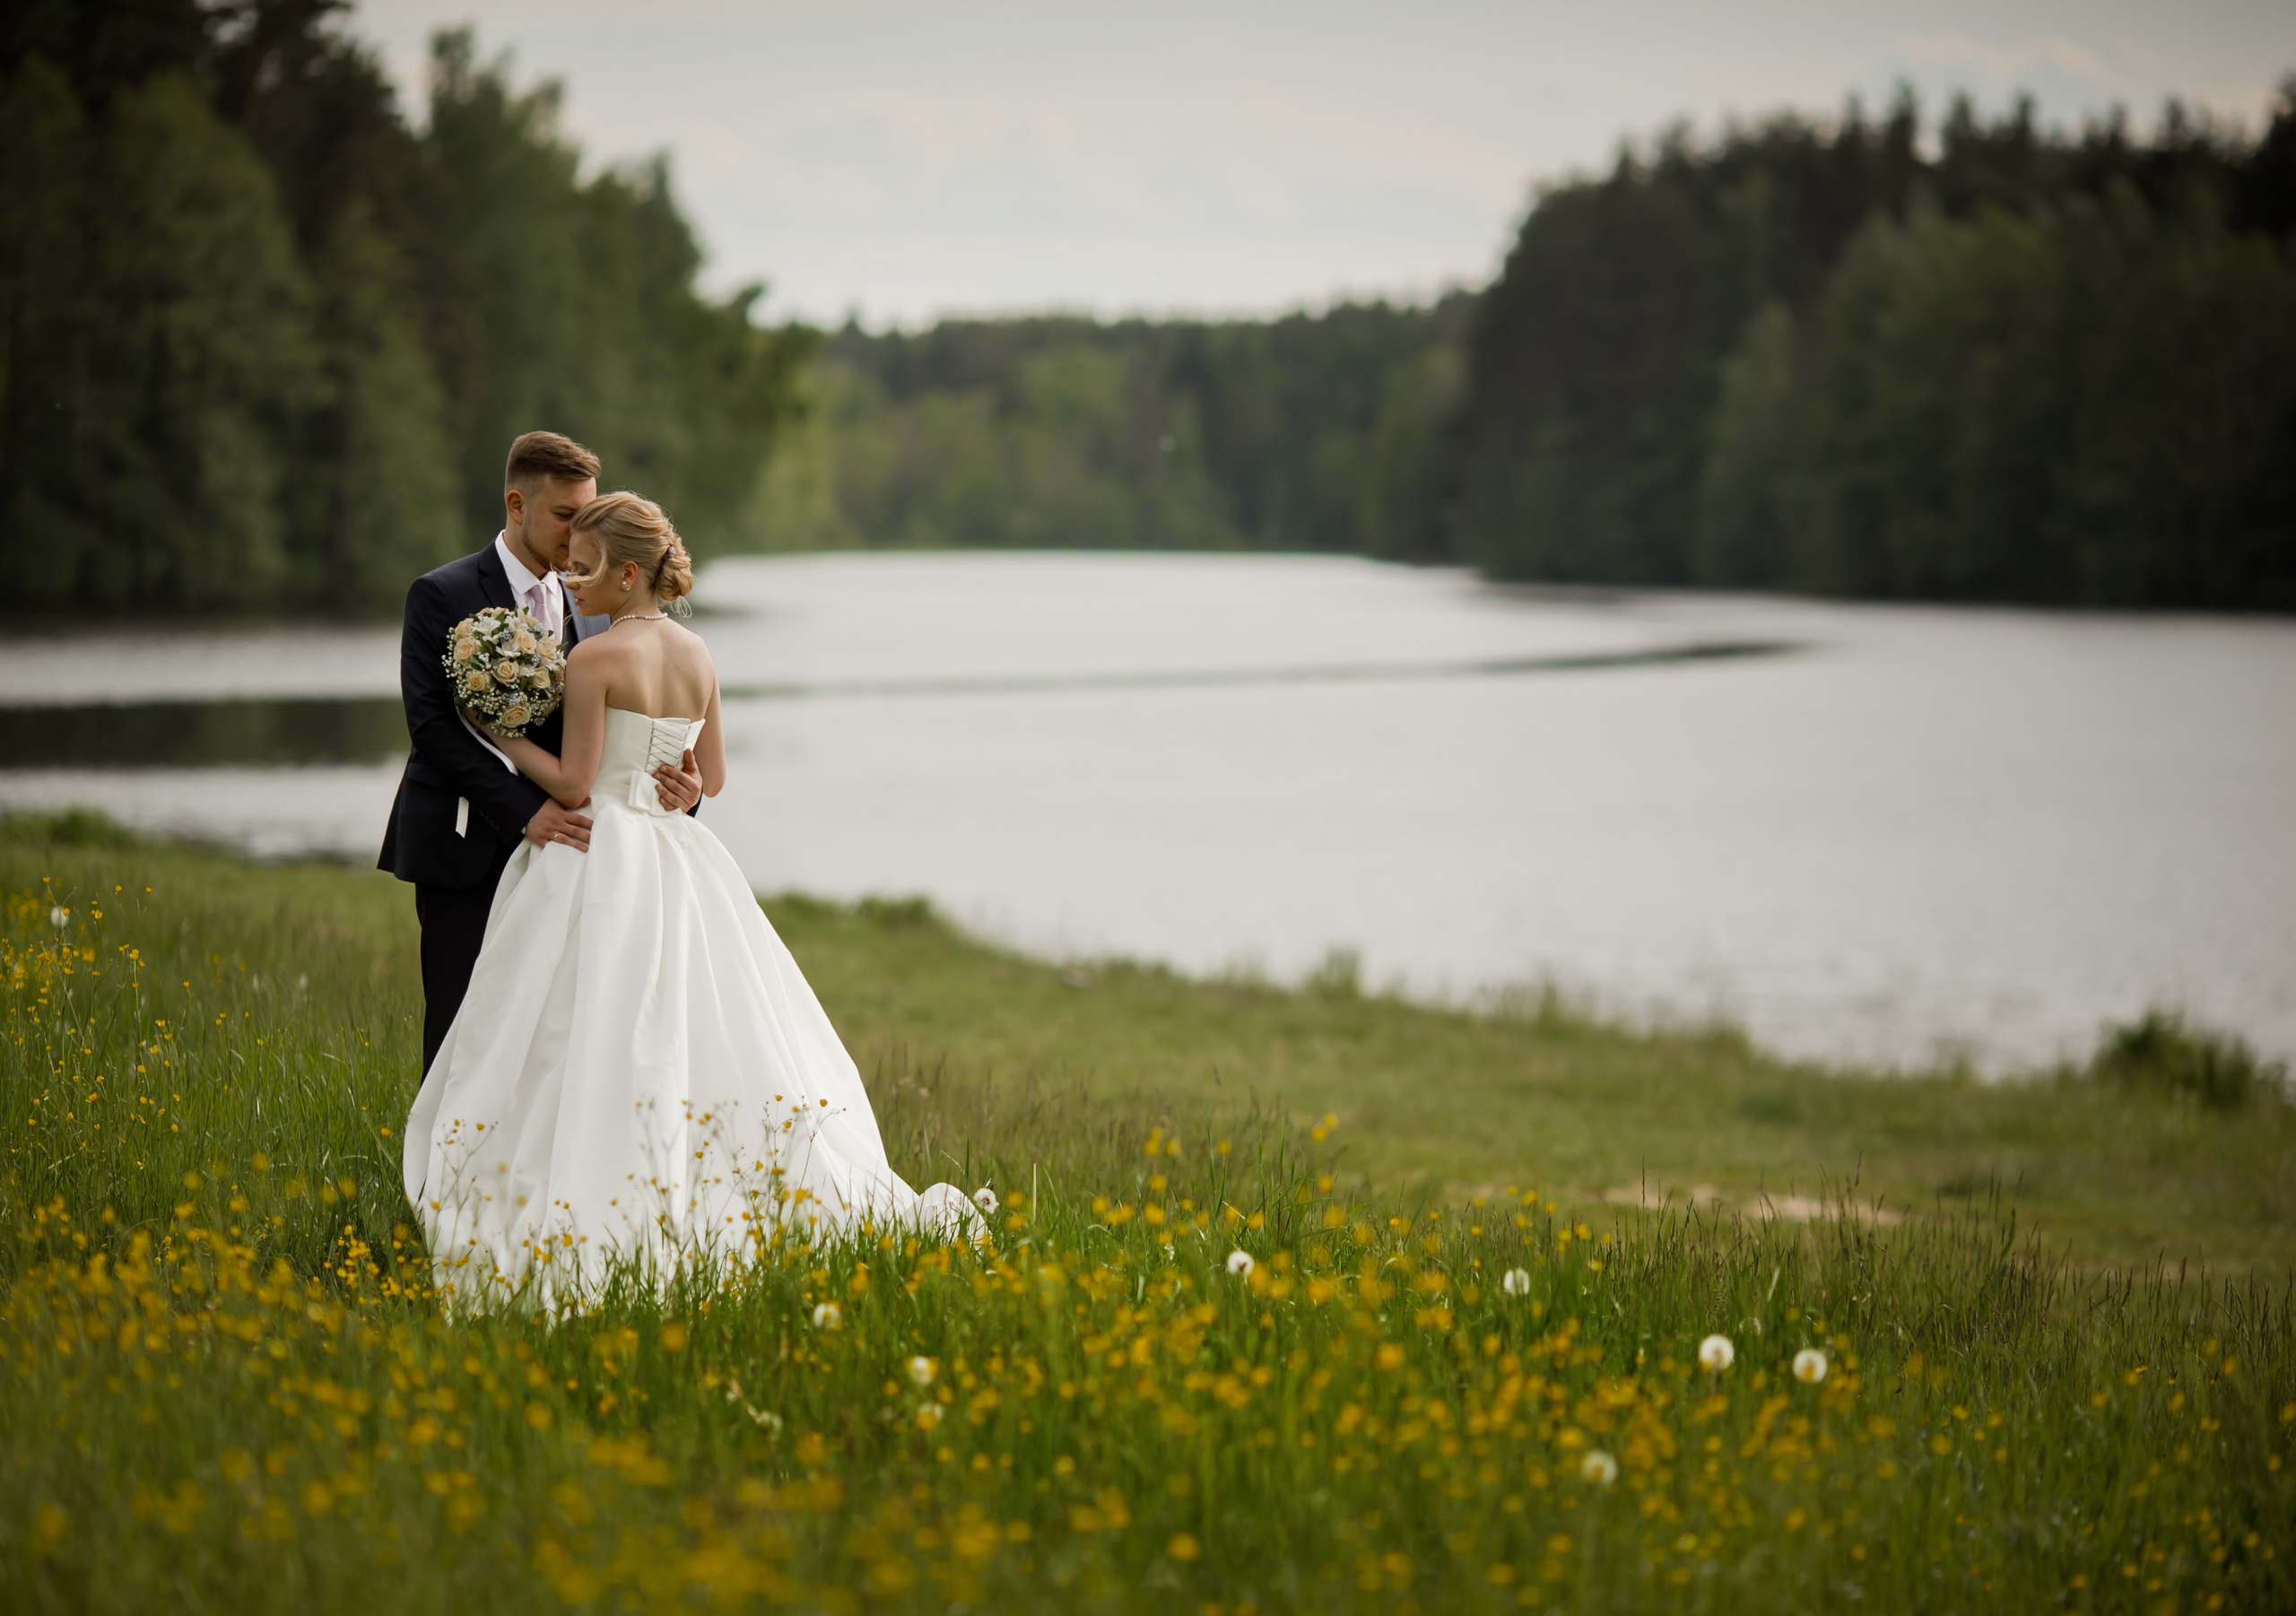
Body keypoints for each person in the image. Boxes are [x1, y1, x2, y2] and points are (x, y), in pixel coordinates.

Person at [401, 491, 978, 1304]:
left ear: (628, 573)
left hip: (601, 851)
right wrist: (684, 783)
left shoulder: (594, 660)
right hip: (677, 856)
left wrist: (500, 736)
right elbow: (715, 776)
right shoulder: (698, 653)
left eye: (584, 569)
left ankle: (578, 1176)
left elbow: (572, 781)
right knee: (691, 1018)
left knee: (581, 1016)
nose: (570, 583)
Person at [377, 432, 702, 1076]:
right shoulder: (440, 595)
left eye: (586, 515)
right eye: (563, 515)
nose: (576, 533)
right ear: (516, 504)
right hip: (469, 846)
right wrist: (527, 814)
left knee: (556, 1038)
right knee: (462, 1025)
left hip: (576, 858)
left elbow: (624, 732)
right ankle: (442, 1176)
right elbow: (434, 729)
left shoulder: (598, 603)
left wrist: (683, 795)